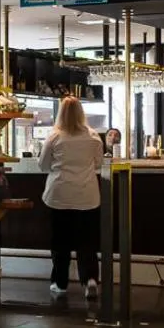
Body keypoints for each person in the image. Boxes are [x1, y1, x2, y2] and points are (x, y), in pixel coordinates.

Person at [40, 97, 103, 299]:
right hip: (87, 196)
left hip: (59, 195)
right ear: (81, 113)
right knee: (87, 241)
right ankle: (90, 279)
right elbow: (99, 164)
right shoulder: (93, 137)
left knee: (60, 242)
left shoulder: (54, 137)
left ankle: (60, 283)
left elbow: (42, 165)